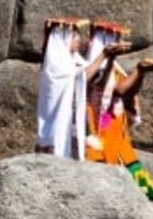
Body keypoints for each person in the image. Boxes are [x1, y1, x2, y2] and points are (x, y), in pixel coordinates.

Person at [83, 20, 153, 201]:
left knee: (122, 152)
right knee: (104, 156)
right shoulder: (91, 67)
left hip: (112, 119)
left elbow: (125, 91)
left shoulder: (115, 68)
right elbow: (114, 89)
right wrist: (112, 59)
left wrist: (140, 73)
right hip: (98, 120)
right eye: (114, 39)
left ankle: (136, 194)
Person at [35, 18, 129, 159]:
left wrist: (109, 58)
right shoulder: (56, 66)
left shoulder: (76, 60)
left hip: (99, 121)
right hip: (65, 127)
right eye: (74, 36)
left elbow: (95, 81)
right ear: (62, 39)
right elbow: (81, 79)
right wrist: (104, 55)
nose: (79, 39)